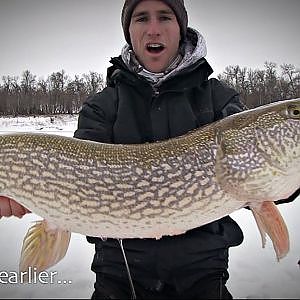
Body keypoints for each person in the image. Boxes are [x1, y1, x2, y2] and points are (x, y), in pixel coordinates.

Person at [0, 0, 299, 299]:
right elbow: (68, 181)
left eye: (165, 17)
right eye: (142, 18)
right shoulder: (103, 106)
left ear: (180, 28)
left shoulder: (217, 99)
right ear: (129, 31)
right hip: (119, 274)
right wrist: (26, 197)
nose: (153, 29)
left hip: (203, 273)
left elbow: (268, 181)